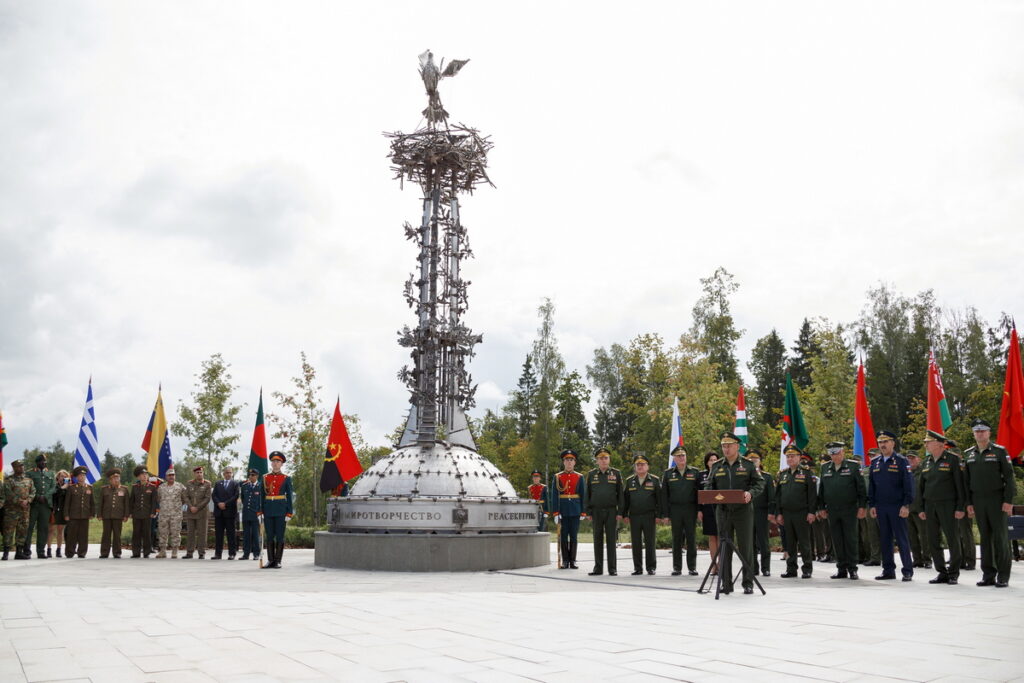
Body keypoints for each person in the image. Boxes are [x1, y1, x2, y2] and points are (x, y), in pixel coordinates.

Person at [705, 431, 765, 595]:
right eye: (724, 446)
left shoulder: (748, 465)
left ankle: (748, 583)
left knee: (746, 547)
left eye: (729, 446)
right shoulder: (717, 466)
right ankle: (726, 583)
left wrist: (750, 493)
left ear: (737, 446)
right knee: (724, 548)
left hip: (743, 511)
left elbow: (759, 484)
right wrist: (711, 495)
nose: (726, 449)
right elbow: (709, 486)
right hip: (723, 511)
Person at [963, 418, 1016, 587]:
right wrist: (969, 503)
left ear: (988, 433)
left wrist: (1008, 501)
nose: (979, 433)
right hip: (978, 499)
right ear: (974, 434)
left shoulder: (999, 451)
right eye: (977, 431)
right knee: (985, 538)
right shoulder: (969, 453)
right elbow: (966, 481)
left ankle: (1003, 576)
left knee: (1000, 538)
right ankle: (988, 574)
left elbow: (1009, 477)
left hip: (997, 499)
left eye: (983, 431)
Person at [918, 430, 966, 585]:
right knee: (933, 540)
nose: (926, 444)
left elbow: (960, 485)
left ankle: (953, 573)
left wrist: (960, 507)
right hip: (930, 505)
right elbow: (921, 487)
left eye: (928, 442)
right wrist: (921, 508)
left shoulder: (952, 460)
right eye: (925, 442)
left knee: (952, 539)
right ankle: (941, 572)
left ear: (939, 443)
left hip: (948, 505)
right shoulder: (926, 461)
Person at [868, 430, 915, 581]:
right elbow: (872, 486)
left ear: (893, 443)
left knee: (901, 539)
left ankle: (907, 570)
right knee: (885, 539)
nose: (883, 445)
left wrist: (906, 505)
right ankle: (888, 570)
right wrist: (872, 504)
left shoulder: (901, 461)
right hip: (881, 506)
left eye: (886, 442)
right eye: (880, 442)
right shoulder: (875, 462)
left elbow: (908, 485)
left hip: (897, 506)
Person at [818, 441, 867, 580]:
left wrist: (862, 506)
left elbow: (861, 489)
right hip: (832, 510)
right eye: (832, 454)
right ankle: (841, 568)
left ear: (843, 452)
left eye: (837, 453)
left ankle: (853, 569)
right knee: (837, 540)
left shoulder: (853, 466)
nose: (835, 456)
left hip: (849, 509)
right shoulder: (825, 467)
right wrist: (821, 506)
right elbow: (821, 489)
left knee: (850, 539)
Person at [775, 445, 817, 579]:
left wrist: (811, 512)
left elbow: (812, 495)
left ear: (799, 457)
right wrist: (779, 513)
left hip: (802, 513)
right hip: (786, 513)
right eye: (788, 456)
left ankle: (807, 568)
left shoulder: (806, 473)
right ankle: (791, 569)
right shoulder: (782, 474)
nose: (790, 458)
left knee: (804, 542)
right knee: (789, 543)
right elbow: (778, 496)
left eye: (793, 456)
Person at [663, 445, 700, 576]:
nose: (681, 458)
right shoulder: (668, 473)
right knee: (676, 538)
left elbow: (699, 494)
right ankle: (677, 567)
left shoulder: (695, 472)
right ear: (674, 458)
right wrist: (666, 514)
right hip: (675, 509)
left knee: (691, 538)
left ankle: (692, 567)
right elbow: (665, 496)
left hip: (690, 509)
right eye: (678, 456)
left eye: (683, 455)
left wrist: (699, 510)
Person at [584, 447, 622, 576]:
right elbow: (587, 493)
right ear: (597, 461)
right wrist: (588, 511)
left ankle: (612, 568)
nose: (604, 460)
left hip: (611, 511)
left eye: (606, 458)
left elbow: (620, 494)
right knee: (597, 539)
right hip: (596, 511)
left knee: (611, 540)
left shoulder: (616, 474)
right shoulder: (591, 474)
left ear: (609, 459)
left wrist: (620, 512)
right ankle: (598, 568)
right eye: (601, 458)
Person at [551, 449, 586, 569]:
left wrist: (583, 511)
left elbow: (583, 494)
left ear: (574, 462)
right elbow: (554, 496)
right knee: (564, 535)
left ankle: (573, 560)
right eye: (567, 460)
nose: (569, 462)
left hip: (576, 510)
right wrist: (555, 513)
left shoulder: (579, 477)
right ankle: (565, 560)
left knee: (574, 536)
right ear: (563, 462)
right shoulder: (557, 477)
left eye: (571, 460)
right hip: (563, 511)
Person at [259, 451, 293, 569]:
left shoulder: (286, 478)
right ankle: (270, 560)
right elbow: (261, 496)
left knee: (279, 536)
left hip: (280, 510)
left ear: (281, 464)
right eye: (273, 461)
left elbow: (289, 496)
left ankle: (278, 560)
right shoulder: (265, 477)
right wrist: (260, 511)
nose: (275, 463)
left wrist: (289, 512)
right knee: (269, 536)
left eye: (278, 461)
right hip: (268, 509)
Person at [747, 449, 774, 577]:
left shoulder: (767, 477)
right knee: (749, 542)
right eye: (750, 460)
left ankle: (766, 568)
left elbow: (771, 497)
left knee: (764, 542)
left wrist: (771, 512)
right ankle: (753, 567)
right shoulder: (744, 477)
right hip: (747, 512)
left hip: (762, 513)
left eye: (755, 460)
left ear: (760, 461)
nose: (753, 462)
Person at [24, 454, 56, 559]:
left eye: (45, 461)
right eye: (42, 461)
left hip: (45, 505)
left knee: (43, 528)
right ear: (37, 463)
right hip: (34, 504)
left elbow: (53, 487)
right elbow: (27, 487)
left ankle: (41, 551)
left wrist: (45, 496)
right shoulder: (30, 473)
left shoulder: (51, 473)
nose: (44, 463)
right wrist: (37, 496)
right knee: (29, 527)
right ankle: (26, 551)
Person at [2, 460, 35, 560]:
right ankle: (6, 553)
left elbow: (33, 492)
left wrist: (28, 500)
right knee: (8, 531)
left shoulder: (28, 480)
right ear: (14, 468)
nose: (22, 468)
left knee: (22, 531)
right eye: (19, 466)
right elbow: (8, 494)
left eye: (22, 466)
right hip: (11, 511)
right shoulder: (9, 480)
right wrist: (20, 501)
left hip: (24, 511)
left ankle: (19, 552)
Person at [905, 451, 930, 569]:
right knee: (912, 536)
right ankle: (917, 559)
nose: (910, 461)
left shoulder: (923, 472)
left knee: (924, 535)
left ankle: (927, 559)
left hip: (920, 508)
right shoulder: (906, 473)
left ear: (918, 459)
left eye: (913, 458)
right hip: (908, 508)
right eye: (908, 459)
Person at [97, 468, 129, 559]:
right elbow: (101, 503)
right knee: (106, 535)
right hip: (106, 515)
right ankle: (104, 553)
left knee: (117, 535)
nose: (116, 480)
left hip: (118, 516)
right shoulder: (104, 489)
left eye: (118, 478)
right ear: (110, 480)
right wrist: (99, 514)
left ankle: (117, 552)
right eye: (114, 478)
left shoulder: (124, 489)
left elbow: (126, 504)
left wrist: (126, 515)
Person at [697, 451, 720, 573]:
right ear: (707, 462)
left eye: (715, 460)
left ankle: (722, 564)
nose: (713, 462)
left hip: (721, 509)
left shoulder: (722, 473)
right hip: (707, 510)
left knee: (721, 536)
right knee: (712, 537)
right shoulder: (701, 475)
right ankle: (714, 565)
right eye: (711, 460)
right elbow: (698, 494)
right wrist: (699, 510)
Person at [156, 468, 187, 558]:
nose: (171, 477)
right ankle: (162, 551)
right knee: (162, 533)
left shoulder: (180, 487)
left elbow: (184, 499)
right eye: (169, 475)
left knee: (176, 533)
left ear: (175, 476)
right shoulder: (161, 487)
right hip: (164, 514)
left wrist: (176, 506)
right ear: (166, 477)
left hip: (176, 515)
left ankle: (174, 551)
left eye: (173, 475)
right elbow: (158, 499)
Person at [63, 466, 93, 558]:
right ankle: (70, 552)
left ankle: (82, 552)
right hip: (73, 515)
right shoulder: (72, 488)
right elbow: (67, 503)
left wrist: (92, 513)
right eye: (80, 475)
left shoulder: (89, 488)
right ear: (76, 477)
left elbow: (92, 503)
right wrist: (66, 514)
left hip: (85, 515)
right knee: (72, 535)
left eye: (84, 475)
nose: (82, 477)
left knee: (83, 535)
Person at [859, 448, 882, 566]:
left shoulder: (884, 467)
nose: (871, 458)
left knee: (885, 531)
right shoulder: (866, 470)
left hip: (883, 503)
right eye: (870, 456)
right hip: (870, 504)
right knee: (871, 532)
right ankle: (875, 557)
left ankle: (887, 556)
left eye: (873, 455)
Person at [184, 465, 213, 559]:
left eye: (201, 472)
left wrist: (197, 507)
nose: (199, 474)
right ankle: (189, 553)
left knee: (202, 533)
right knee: (190, 533)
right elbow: (186, 496)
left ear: (203, 473)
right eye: (197, 473)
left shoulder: (207, 484)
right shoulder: (189, 484)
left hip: (202, 513)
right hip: (191, 512)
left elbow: (207, 498)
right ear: (194, 474)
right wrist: (190, 506)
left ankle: (201, 553)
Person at [212, 466, 240, 560]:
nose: (228, 474)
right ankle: (218, 554)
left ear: (232, 474)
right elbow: (214, 495)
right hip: (219, 513)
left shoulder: (235, 484)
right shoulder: (218, 483)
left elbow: (236, 496)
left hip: (230, 513)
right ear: (223, 474)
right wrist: (219, 503)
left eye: (230, 472)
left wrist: (225, 504)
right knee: (218, 534)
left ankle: (232, 554)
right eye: (226, 472)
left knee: (231, 534)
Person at [129, 465, 157, 558]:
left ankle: (146, 552)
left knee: (147, 533)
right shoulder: (135, 487)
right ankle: (136, 552)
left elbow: (154, 501)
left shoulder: (152, 487)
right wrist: (130, 512)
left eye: (146, 474)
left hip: (147, 514)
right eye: (142, 474)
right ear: (138, 477)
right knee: (136, 533)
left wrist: (153, 512)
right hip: (136, 514)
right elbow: (131, 501)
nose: (144, 476)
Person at [240, 468, 262, 561]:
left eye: (253, 475)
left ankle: (256, 554)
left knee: (255, 535)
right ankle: (246, 554)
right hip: (246, 514)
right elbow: (243, 499)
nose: (251, 477)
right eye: (250, 475)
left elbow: (262, 501)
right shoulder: (245, 486)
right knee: (246, 535)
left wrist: (260, 513)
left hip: (256, 514)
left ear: (257, 476)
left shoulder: (260, 486)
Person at [47, 469, 70, 558]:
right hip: (54, 510)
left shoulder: (68, 487)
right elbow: (54, 494)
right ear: (58, 477)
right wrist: (62, 488)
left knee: (60, 531)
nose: (63, 478)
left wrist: (66, 487)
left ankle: (58, 550)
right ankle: (48, 550)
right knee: (51, 530)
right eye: (61, 476)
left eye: (65, 476)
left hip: (63, 511)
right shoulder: (54, 485)